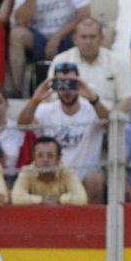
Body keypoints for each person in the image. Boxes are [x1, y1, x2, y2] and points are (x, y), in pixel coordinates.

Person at [9, 0, 91, 94]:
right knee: (16, 34)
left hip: (67, 35)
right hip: (38, 37)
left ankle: (86, 88)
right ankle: (17, 89)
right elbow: (21, 21)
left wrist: (57, 37)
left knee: (88, 30)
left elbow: (84, 15)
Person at [20, 61, 108, 202]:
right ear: (55, 85)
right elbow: (22, 125)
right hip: (54, 178)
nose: (67, 90)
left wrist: (93, 98)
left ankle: (91, 223)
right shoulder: (46, 110)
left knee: (95, 180)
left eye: (71, 83)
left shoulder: (93, 109)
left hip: (86, 179)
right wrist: (35, 99)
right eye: (61, 84)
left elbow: (111, 126)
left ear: (79, 83)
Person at [52, 18, 131, 116]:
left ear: (101, 38)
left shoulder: (118, 61)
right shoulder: (61, 60)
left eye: (92, 37)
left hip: (107, 121)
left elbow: (127, 98)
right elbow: (52, 97)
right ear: (75, 39)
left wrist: (111, 121)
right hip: (70, 121)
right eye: (83, 37)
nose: (88, 42)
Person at [12, 136, 88, 205]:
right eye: (40, 155)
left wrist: (59, 200)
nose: (45, 160)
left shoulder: (67, 172)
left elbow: (81, 198)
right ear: (34, 158)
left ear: (59, 159)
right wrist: (43, 201)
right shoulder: (26, 171)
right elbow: (16, 199)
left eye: (50, 155)